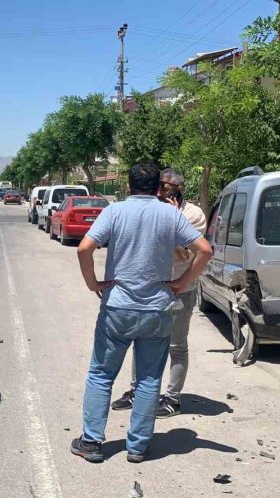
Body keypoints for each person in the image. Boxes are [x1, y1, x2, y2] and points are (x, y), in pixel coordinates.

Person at [70, 161, 213, 464]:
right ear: (159, 189)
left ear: (127, 186)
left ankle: (91, 442)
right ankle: (137, 447)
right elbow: (205, 250)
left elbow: (84, 248)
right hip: (156, 310)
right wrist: (182, 283)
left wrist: (93, 283)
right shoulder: (171, 215)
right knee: (149, 379)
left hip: (117, 308)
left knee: (101, 374)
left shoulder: (114, 211)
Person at [111, 168, 207, 418]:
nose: (160, 191)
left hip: (179, 289)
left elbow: (185, 254)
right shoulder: (151, 209)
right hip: (151, 290)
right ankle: (137, 391)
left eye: (165, 187)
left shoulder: (193, 215)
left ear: (179, 189)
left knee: (177, 346)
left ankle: (173, 398)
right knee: (141, 341)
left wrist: (173, 220)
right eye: (159, 186)